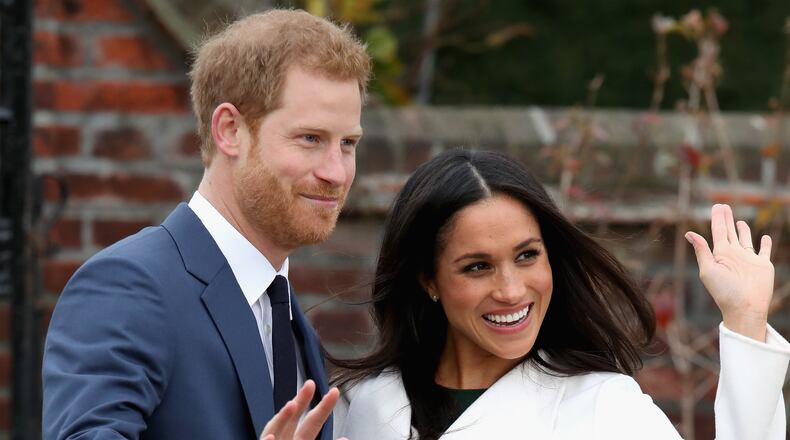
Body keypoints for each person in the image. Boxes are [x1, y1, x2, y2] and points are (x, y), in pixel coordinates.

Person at [42, 9, 370, 440]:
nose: (336, 171)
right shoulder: (128, 285)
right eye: (310, 138)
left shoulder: (284, 312)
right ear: (230, 129)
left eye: (347, 143)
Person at [332, 149, 790, 439]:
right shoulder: (363, 406)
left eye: (527, 256)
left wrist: (745, 320)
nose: (511, 290)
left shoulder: (603, 409)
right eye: (477, 267)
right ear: (427, 279)